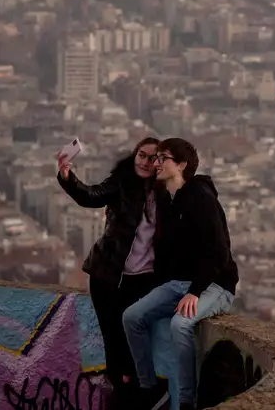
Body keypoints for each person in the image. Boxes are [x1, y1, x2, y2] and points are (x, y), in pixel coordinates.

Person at [122, 137, 239, 410]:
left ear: (182, 165)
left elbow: (219, 253)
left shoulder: (201, 198)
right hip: (179, 283)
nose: (156, 163)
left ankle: (186, 400)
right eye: (156, 158)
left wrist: (195, 291)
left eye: (164, 158)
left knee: (180, 324)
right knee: (132, 317)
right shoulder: (169, 201)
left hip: (216, 285)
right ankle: (149, 386)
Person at [56, 136, 162, 403]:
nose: (146, 162)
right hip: (109, 274)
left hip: (144, 280)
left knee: (138, 338)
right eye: (142, 155)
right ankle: (120, 392)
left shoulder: (166, 193)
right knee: (113, 337)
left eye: (153, 157)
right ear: (134, 156)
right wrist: (68, 176)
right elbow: (91, 196)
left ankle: (138, 390)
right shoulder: (122, 183)